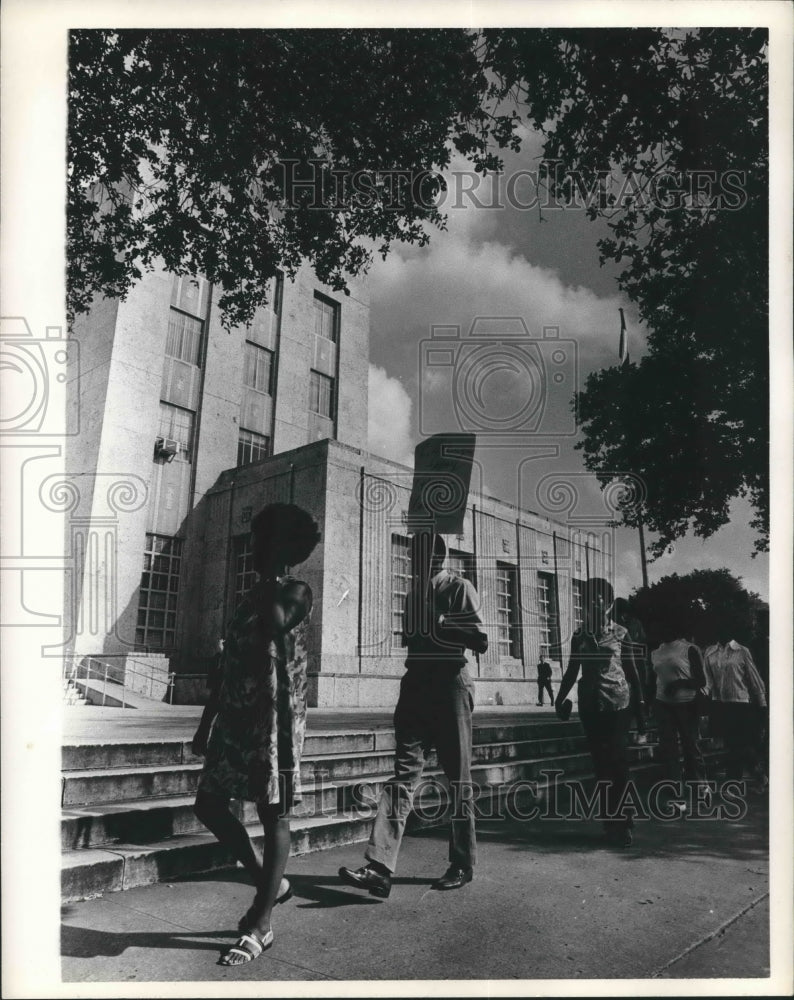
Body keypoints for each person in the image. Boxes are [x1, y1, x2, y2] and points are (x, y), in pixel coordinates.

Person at [191, 503, 320, 966]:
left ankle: (262, 924)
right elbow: (225, 667)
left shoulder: (295, 591)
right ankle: (273, 882)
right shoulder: (251, 595)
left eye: (262, 539)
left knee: (273, 814)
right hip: (235, 718)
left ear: (281, 548)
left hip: (275, 724)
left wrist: (270, 572)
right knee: (207, 803)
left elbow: (277, 622)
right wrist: (206, 723)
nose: (252, 548)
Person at [339, 533, 488, 898]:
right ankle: (379, 867)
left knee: (458, 778)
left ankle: (462, 862)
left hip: (450, 683)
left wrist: (440, 622)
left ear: (441, 555)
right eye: (414, 554)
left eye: (426, 554)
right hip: (417, 686)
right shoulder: (412, 594)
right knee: (402, 775)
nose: (418, 560)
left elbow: (480, 640)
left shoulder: (459, 587)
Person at [555, 577, 646, 847]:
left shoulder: (621, 633)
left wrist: (641, 714)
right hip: (590, 705)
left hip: (618, 705)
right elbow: (572, 669)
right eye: (587, 597)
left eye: (599, 598)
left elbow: (633, 673)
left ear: (607, 604)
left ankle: (625, 822)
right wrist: (560, 699)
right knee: (601, 765)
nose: (592, 602)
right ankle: (610, 824)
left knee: (618, 763)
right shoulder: (580, 636)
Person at [646, 603, 709, 813]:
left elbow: (701, 680)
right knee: (669, 750)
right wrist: (648, 703)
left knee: (691, 747)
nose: (658, 630)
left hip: (687, 704)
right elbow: (652, 679)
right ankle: (677, 794)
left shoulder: (689, 648)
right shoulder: (656, 652)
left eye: (662, 626)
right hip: (662, 704)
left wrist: (679, 684)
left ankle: (702, 788)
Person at [703, 630, 767, 785]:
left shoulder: (742, 651)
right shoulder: (709, 652)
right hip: (720, 704)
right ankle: (757, 771)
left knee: (737, 744)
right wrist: (702, 696)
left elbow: (754, 680)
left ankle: (733, 780)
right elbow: (708, 681)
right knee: (733, 744)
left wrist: (762, 704)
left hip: (740, 704)